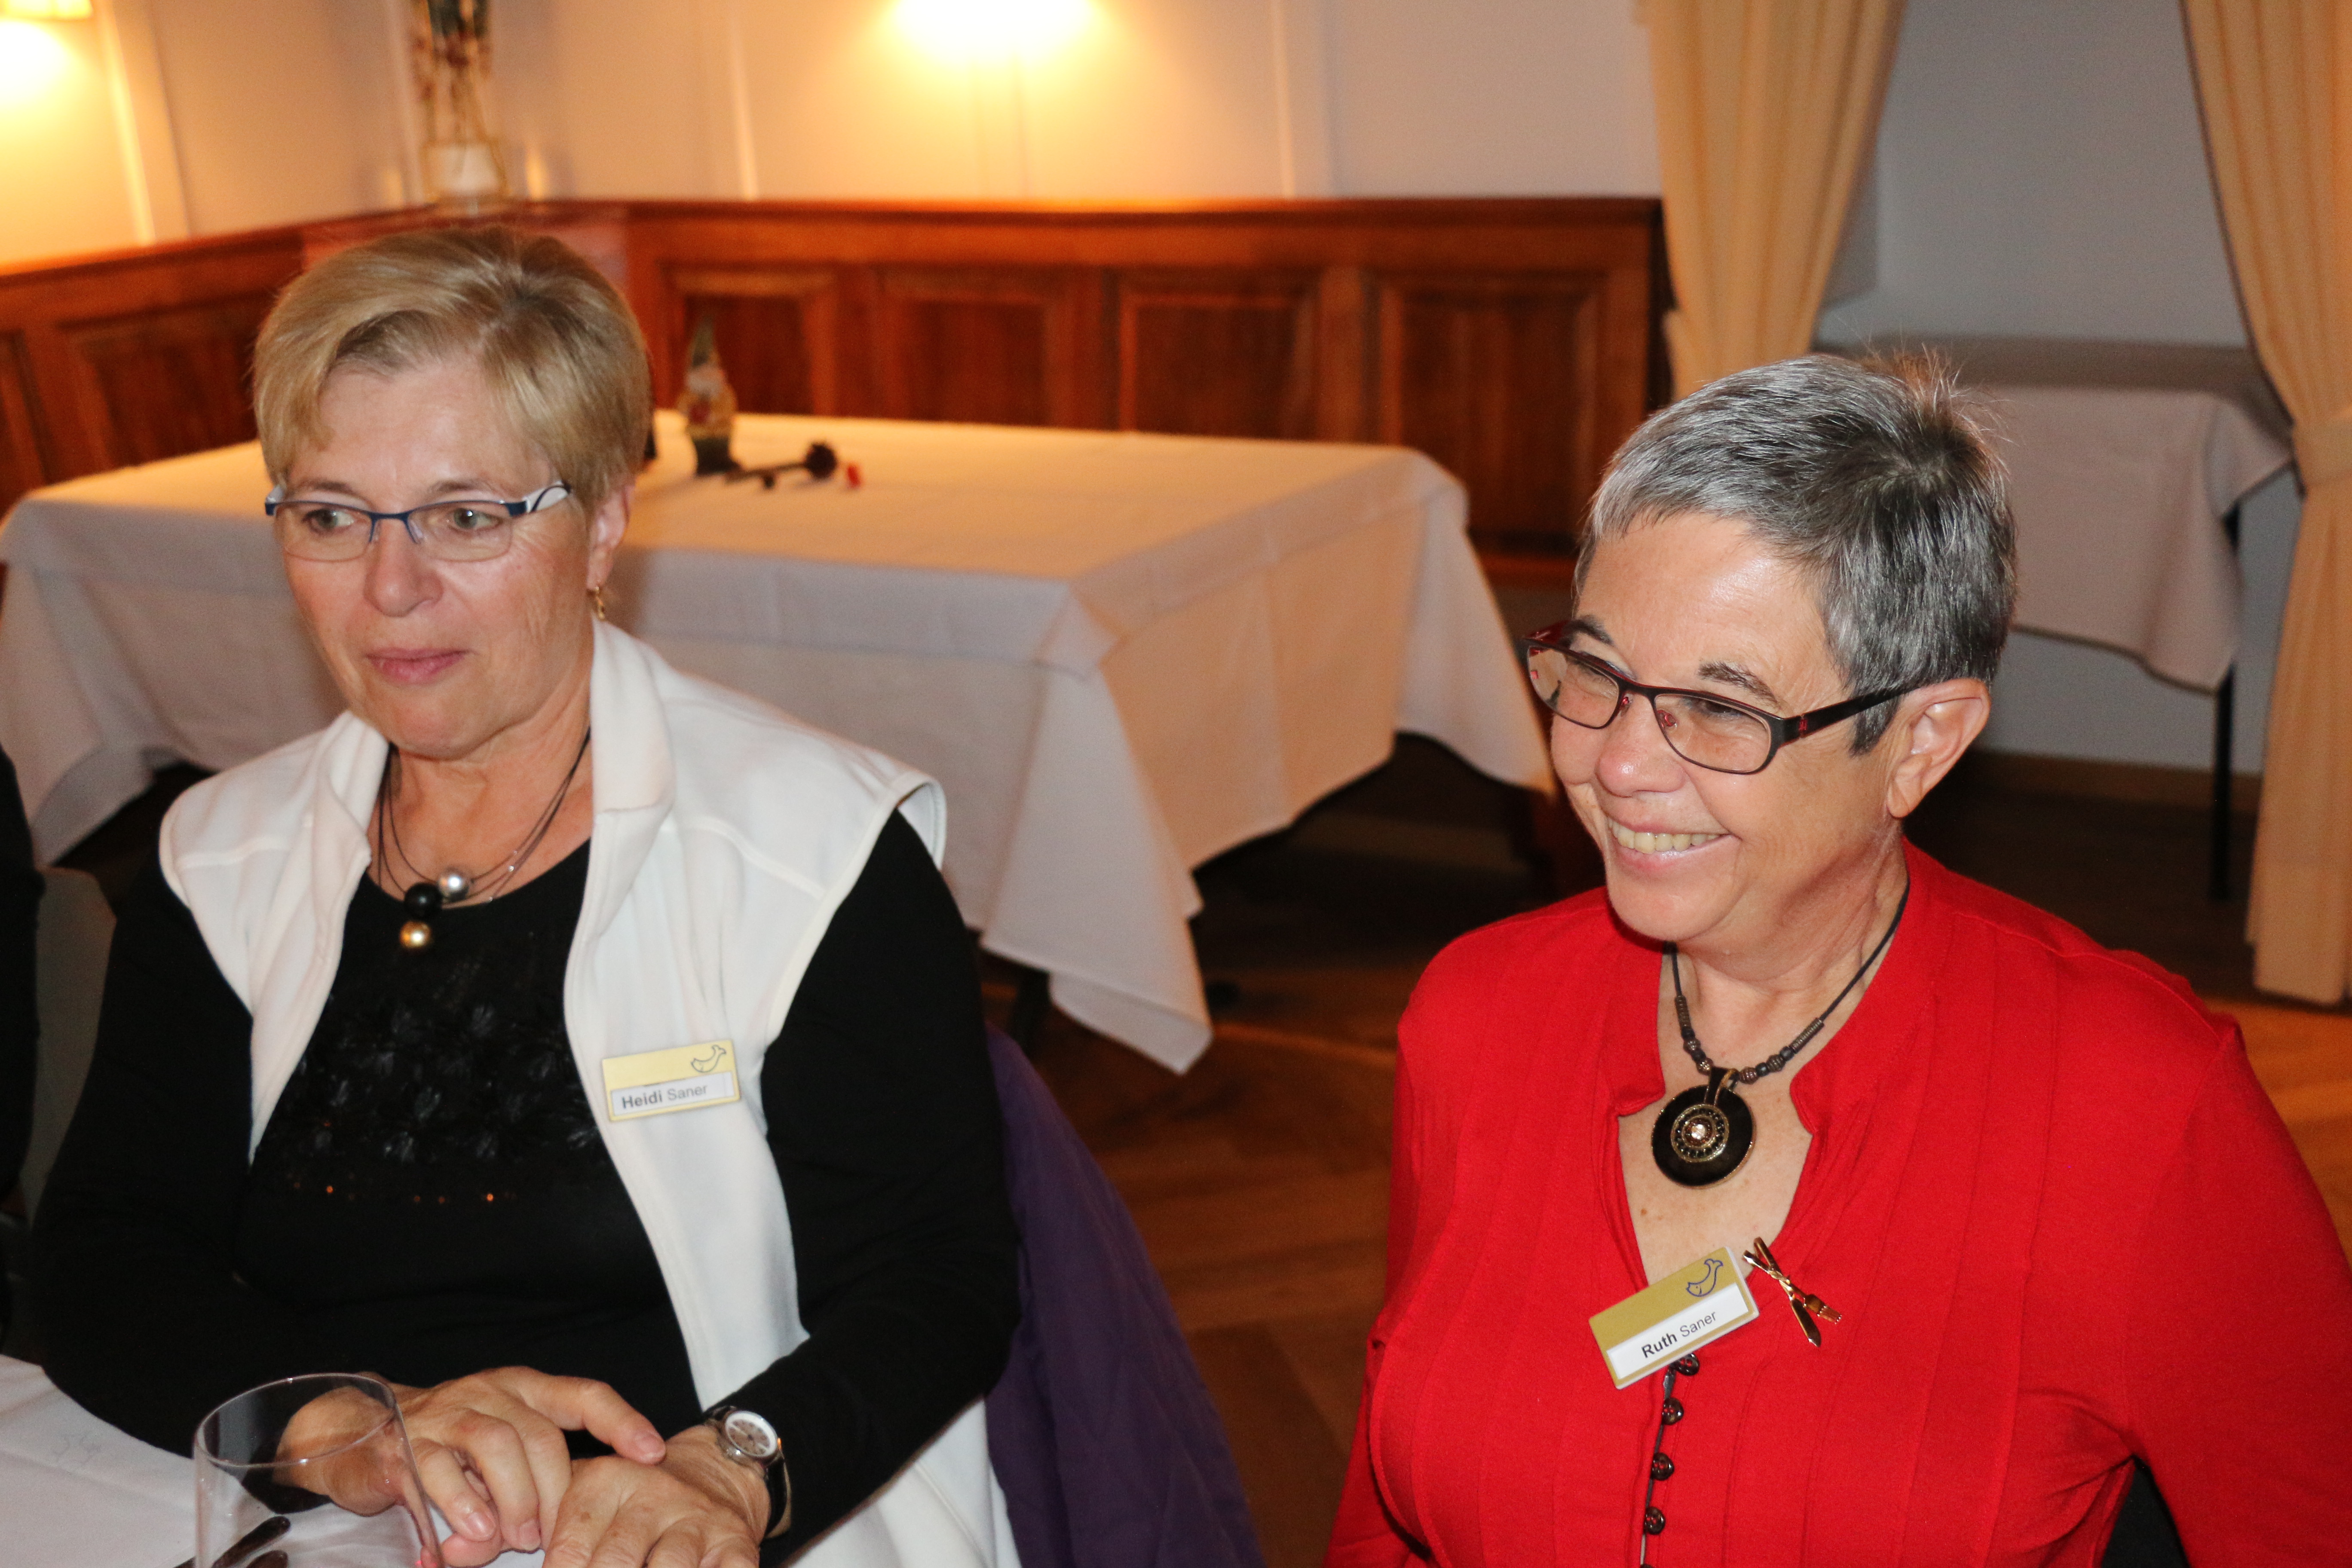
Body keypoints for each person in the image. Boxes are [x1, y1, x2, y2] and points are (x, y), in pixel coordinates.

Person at [32, 226, 1020, 1568]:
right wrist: (351, 1428)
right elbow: (107, 1256)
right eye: (330, 516)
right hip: (345, 1529)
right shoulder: (221, 860)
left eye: (466, 516)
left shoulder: (812, 852)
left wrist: (731, 1472)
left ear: (603, 520)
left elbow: (935, 1281)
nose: (391, 589)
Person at [1326, 355, 2352, 1566]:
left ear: (1920, 743)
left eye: (1722, 708)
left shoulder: (2141, 1105)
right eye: (1597, 674)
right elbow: (1384, 1519)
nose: (1618, 764)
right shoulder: (1478, 1013)